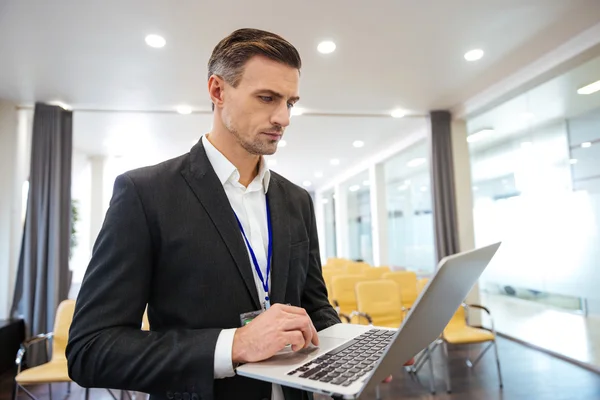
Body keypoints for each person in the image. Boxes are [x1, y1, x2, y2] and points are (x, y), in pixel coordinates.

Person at [66, 28, 341, 400]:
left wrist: (356, 348)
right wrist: (234, 345)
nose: (284, 118)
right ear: (217, 91)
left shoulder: (296, 200)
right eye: (267, 98)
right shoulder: (145, 194)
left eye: (290, 102)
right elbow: (91, 350)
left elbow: (314, 305)